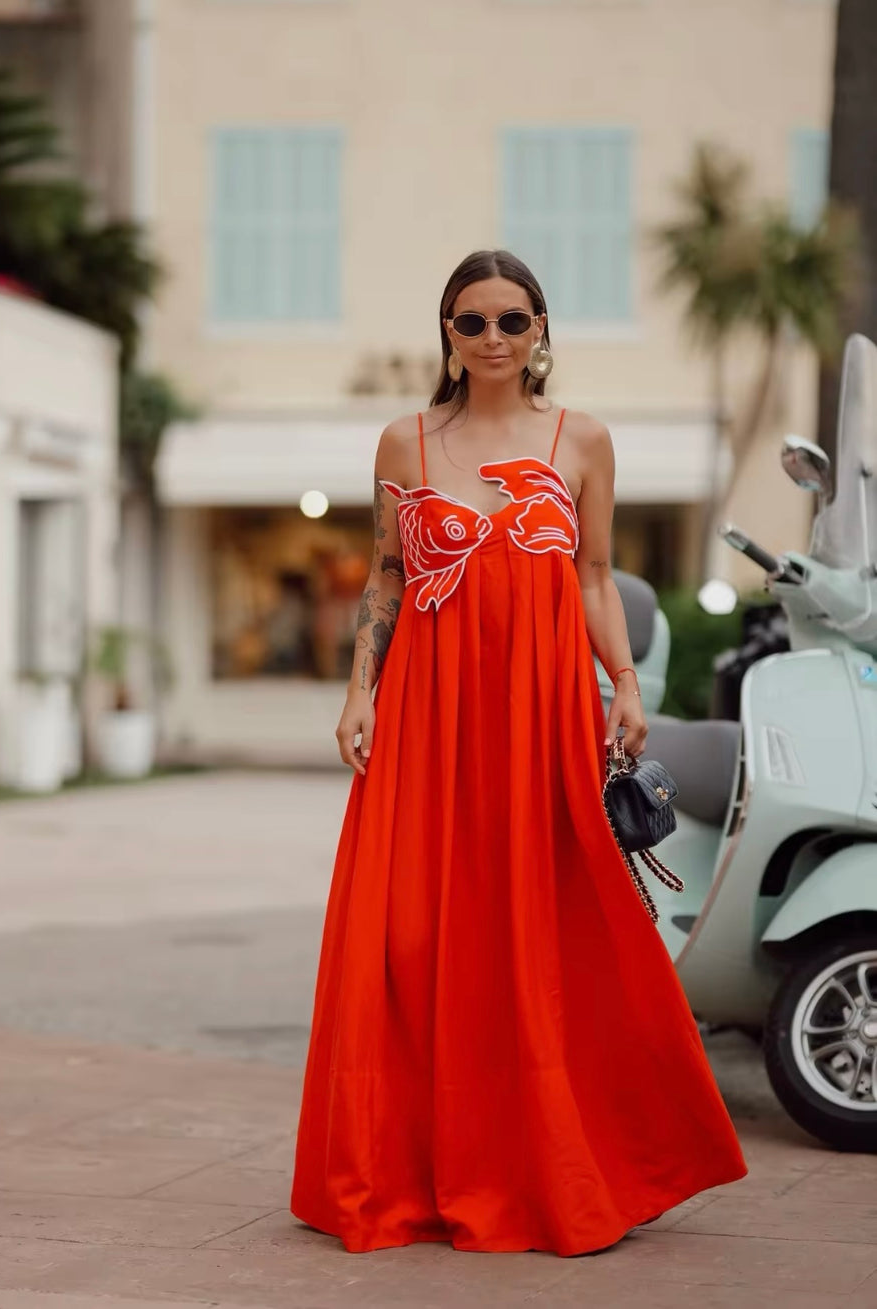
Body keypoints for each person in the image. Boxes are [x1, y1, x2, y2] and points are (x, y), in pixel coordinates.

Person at [289, 249, 748, 1257]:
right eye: (470, 321)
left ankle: (566, 1158)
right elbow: (385, 581)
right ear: (445, 335)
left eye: (510, 319)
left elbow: (591, 576)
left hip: (541, 717)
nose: (491, 338)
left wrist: (623, 684)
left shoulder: (579, 439)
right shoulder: (404, 443)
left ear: (539, 329)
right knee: (409, 932)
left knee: (549, 928)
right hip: (426, 716)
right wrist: (358, 691)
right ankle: (409, 1165)